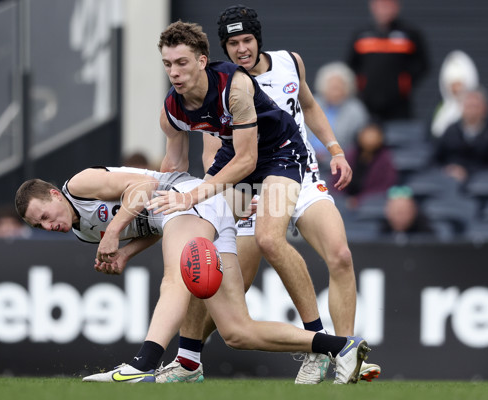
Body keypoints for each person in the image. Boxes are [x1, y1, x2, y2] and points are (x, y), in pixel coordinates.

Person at [154, 7, 379, 385]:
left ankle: (341, 353)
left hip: (295, 170)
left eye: (247, 40)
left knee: (339, 254)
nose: (242, 49)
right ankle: (188, 359)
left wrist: (336, 149)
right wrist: (221, 193)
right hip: (243, 181)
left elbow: (308, 106)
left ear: (259, 39)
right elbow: (215, 153)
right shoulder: (220, 84)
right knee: (217, 275)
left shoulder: (291, 63)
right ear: (222, 49)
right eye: (233, 43)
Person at [14, 166, 371, 384]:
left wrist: (113, 230)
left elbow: (143, 187)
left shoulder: (80, 185)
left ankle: (143, 364)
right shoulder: (81, 231)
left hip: (187, 199)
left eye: (45, 215)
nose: (48, 226)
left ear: (54, 193)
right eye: (38, 226)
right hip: (205, 215)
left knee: (175, 279)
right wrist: (124, 250)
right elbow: (149, 225)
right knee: (236, 331)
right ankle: (342, 346)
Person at [347, 0, 429, 121]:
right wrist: (361, 85)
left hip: (399, 103)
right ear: (373, 7)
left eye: (388, 6)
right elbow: (351, 65)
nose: (384, 10)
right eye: (380, 6)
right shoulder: (361, 35)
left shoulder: (410, 34)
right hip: (368, 102)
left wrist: (404, 83)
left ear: (396, 7)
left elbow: (422, 64)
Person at [433, 87, 488, 183]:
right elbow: (435, 159)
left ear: (485, 109)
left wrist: (467, 172)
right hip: (449, 182)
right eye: (468, 106)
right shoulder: (451, 131)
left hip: (482, 184)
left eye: (475, 106)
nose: (471, 111)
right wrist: (448, 169)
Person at [312, 61, 370, 162]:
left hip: (341, 161)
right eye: (332, 87)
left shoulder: (356, 109)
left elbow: (359, 143)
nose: (336, 91)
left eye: (339, 87)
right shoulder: (313, 104)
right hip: (308, 159)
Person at [339, 122, 398, 209]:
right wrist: (345, 199)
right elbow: (336, 180)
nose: (369, 139)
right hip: (345, 201)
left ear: (381, 138)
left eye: (373, 135)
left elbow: (386, 186)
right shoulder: (350, 154)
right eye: (367, 134)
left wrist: (359, 199)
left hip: (371, 204)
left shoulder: (386, 158)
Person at [431, 50, 479, 139]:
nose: (457, 90)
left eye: (459, 85)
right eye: (453, 86)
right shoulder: (439, 113)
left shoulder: (481, 113)